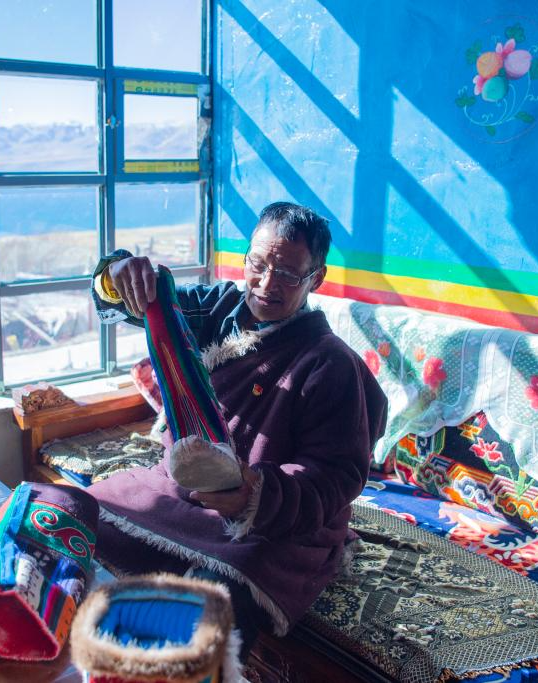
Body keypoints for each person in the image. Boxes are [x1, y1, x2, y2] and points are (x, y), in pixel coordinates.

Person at [87, 201, 388, 654]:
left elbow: (337, 475)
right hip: (184, 490)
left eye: (287, 274)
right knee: (69, 514)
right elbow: (142, 304)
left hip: (271, 519)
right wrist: (118, 274)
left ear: (317, 278)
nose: (266, 284)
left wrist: (255, 495)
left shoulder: (330, 363)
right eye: (258, 264)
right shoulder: (215, 307)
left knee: (212, 604)